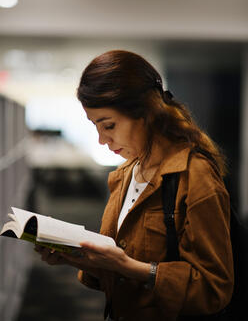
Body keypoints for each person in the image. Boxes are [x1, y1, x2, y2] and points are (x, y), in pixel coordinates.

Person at [35, 50, 234, 321]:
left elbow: (213, 289)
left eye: (109, 125)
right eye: (95, 126)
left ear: (146, 113)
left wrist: (128, 266)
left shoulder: (195, 175)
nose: (101, 140)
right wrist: (78, 258)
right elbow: (118, 270)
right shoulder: (126, 173)